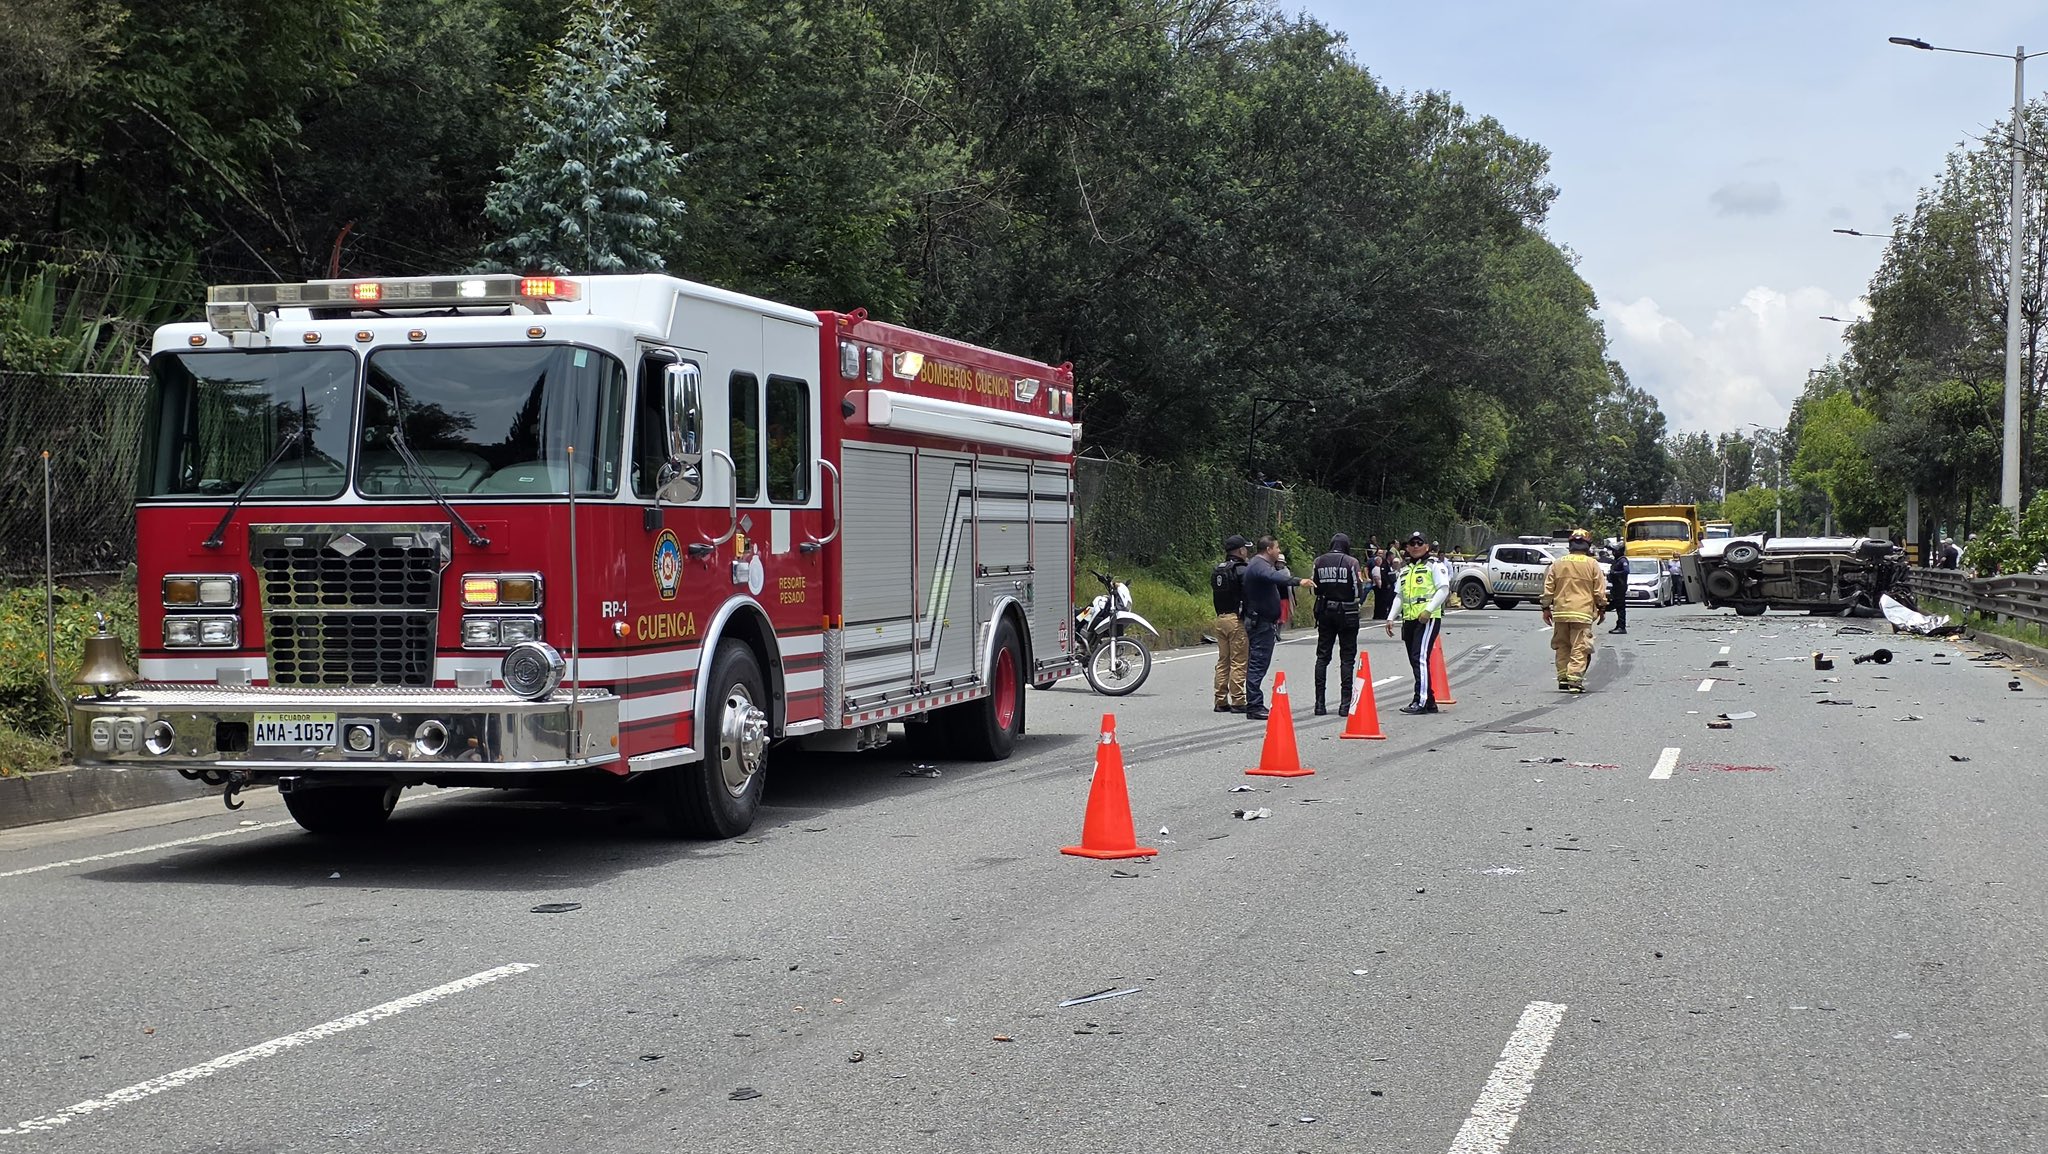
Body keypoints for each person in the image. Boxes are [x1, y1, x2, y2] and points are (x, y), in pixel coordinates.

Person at [1384, 530, 1452, 714]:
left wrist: (1428, 610)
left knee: (1419, 657)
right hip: (1409, 620)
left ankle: (1420, 701)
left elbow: (1443, 589)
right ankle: (1429, 700)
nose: (1415, 547)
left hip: (1426, 619)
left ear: (1427, 546)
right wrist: (1391, 617)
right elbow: (1399, 595)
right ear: (1407, 547)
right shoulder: (1405, 570)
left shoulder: (1434, 565)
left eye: (1419, 543)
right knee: (1415, 660)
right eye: (1412, 543)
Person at [1240, 536, 1305, 721]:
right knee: (1258, 662)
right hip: (1260, 622)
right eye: (1276, 547)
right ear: (1268, 549)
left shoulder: (1258, 564)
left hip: (1262, 621)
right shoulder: (1259, 565)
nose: (1278, 551)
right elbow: (1274, 577)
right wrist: (1298, 581)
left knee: (1259, 661)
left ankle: (1254, 702)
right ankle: (1254, 705)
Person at [1541, 528, 1609, 693]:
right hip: (1582, 611)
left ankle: (1563, 677)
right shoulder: (1592, 564)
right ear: (1588, 546)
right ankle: (1575, 681)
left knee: (1562, 644)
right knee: (1580, 646)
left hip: (1561, 612)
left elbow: (1548, 589)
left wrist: (1545, 608)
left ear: (1570, 545)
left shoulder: (1557, 563)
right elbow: (1599, 591)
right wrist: (1602, 607)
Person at [1309, 533, 1366, 716]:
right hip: (1348, 612)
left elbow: (1313, 587)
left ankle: (1319, 704)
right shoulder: (1351, 562)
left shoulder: (1319, 561)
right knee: (1347, 657)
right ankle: (1345, 704)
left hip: (1325, 611)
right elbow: (1358, 588)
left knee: (1322, 656)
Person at [1210, 535, 1252, 712]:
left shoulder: (1218, 570)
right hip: (1236, 619)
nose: (1247, 552)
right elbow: (1249, 595)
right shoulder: (1241, 570)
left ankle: (1220, 700)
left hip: (1220, 619)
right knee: (1239, 661)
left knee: (1223, 661)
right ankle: (1238, 700)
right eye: (1245, 548)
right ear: (1240, 550)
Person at [1606, 540, 1629, 635]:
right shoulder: (1617, 560)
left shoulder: (1623, 560)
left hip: (1620, 586)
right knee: (1616, 605)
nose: (1613, 553)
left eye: (1615, 551)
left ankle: (1621, 626)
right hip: (1616, 586)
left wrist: (1615, 573)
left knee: (1620, 607)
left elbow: (1626, 571)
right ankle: (1619, 625)